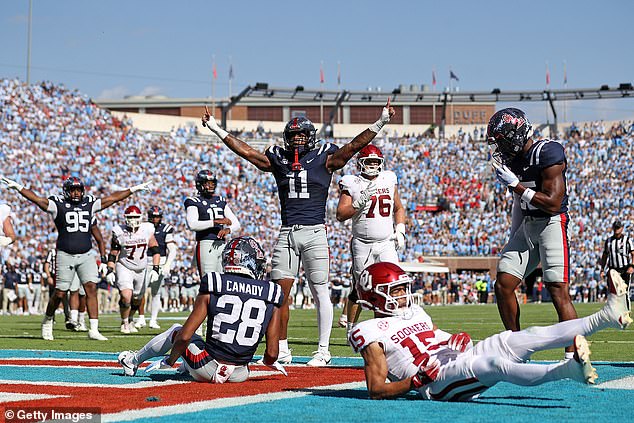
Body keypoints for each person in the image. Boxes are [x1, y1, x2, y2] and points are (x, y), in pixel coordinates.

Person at [202, 101, 395, 366]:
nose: (297, 139)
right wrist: (215, 128)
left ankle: (323, 350)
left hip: (315, 231)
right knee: (279, 295)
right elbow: (248, 153)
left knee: (320, 292)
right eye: (293, 135)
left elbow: (352, 148)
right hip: (286, 233)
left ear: (311, 136)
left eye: (302, 135)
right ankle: (282, 350)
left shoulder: (325, 157)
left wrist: (380, 121)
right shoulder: (279, 158)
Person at [349, 262, 632, 401]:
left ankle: (606, 317)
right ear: (373, 297)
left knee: (523, 337)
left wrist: (455, 339)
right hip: (434, 383)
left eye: (403, 289)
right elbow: (376, 390)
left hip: (457, 357)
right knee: (495, 365)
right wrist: (416, 381)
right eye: (394, 291)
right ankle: (568, 371)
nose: (402, 295)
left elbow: (437, 339)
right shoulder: (368, 330)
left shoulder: (416, 312)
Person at [0, 176, 151, 341]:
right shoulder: (58, 205)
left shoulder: (89, 204)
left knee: (91, 288)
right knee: (59, 292)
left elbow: (112, 199)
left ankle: (93, 329)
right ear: (66, 191)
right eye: (73, 189)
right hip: (65, 254)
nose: (76, 193)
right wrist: (19, 187)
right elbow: (38, 200)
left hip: (86, 254)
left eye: (79, 189)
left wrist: (133, 189)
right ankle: (48, 320)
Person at [118, 236, 286, 383]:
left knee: (177, 330)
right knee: (201, 344)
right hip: (240, 374)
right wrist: (269, 361)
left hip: (206, 367)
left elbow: (184, 337)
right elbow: (272, 353)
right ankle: (186, 366)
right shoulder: (272, 291)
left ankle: (132, 361)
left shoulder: (215, 282)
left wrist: (170, 360)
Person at [486, 108, 578, 359]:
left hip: (551, 222)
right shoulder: (512, 161)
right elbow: (519, 204)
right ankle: (516, 347)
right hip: (527, 224)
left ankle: (573, 356)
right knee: (503, 283)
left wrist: (516, 186)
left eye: (503, 142)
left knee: (557, 289)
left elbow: (553, 203)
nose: (500, 149)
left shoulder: (547, 152)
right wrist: (513, 235)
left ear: (516, 135)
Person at [335, 144, 406, 332]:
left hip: (386, 242)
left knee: (393, 283)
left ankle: (389, 328)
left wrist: (400, 229)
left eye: (376, 161)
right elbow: (341, 214)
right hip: (362, 244)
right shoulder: (352, 182)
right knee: (361, 286)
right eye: (369, 161)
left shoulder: (388, 179)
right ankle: (351, 329)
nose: (373, 164)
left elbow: (398, 207)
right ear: (361, 163)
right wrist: (357, 204)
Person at [105, 205, 161, 334]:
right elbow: (113, 253)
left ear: (140, 218)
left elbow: (155, 249)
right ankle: (124, 322)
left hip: (142, 268)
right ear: (125, 218)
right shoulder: (119, 231)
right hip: (124, 266)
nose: (133, 220)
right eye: (130, 217)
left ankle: (130, 318)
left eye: (135, 217)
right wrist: (110, 270)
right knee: (126, 296)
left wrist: (155, 269)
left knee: (137, 298)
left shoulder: (147, 229)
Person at [185, 170, 241, 277]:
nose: (211, 186)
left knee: (221, 283)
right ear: (200, 184)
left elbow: (236, 224)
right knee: (209, 282)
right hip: (206, 244)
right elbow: (192, 224)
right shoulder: (193, 201)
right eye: (207, 183)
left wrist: (228, 230)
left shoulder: (219, 200)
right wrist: (215, 222)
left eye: (212, 183)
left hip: (222, 244)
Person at [139, 206, 178, 329]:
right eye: (154, 216)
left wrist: (167, 264)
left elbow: (172, 249)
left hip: (159, 263)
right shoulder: (143, 227)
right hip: (145, 262)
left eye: (158, 216)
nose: (156, 219)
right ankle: (140, 318)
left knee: (156, 293)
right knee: (140, 292)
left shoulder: (166, 229)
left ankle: (153, 320)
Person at [599, 220, 634, 298]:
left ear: (622, 228)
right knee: (613, 294)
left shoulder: (627, 240)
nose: (616, 229)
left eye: (618, 228)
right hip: (613, 270)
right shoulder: (608, 241)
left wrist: (632, 266)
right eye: (615, 228)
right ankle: (614, 310)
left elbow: (633, 254)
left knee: (625, 293)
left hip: (624, 270)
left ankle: (626, 310)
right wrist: (602, 269)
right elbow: (605, 256)